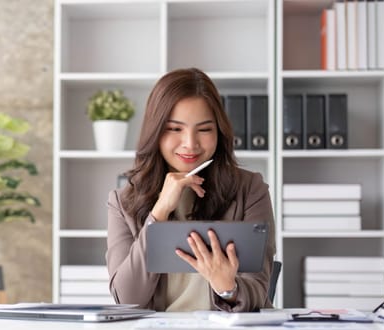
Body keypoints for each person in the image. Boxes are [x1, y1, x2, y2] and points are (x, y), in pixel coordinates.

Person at [105, 67, 276, 312]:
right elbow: (127, 299)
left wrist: (227, 288)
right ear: (156, 131)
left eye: (204, 129)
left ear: (219, 131)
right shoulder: (122, 202)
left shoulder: (250, 189)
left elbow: (257, 291)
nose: (190, 143)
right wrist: (160, 211)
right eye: (175, 129)